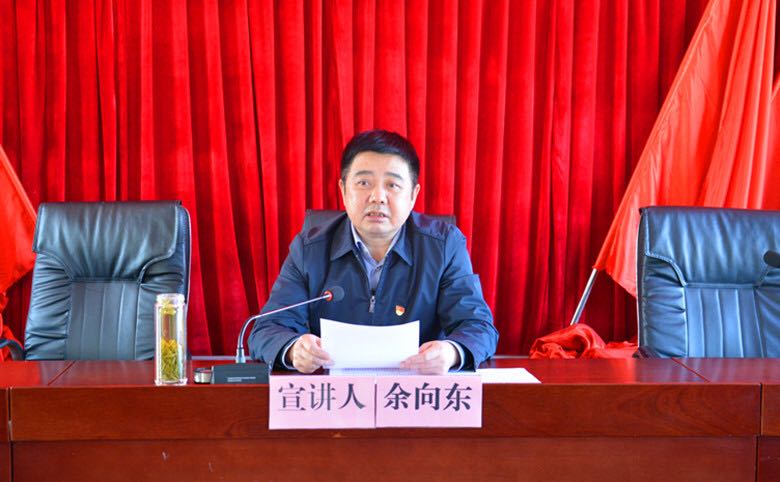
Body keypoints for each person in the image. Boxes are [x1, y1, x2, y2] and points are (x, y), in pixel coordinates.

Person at [249, 129, 498, 374]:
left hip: (416, 390)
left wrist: (452, 353)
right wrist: (294, 349)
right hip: (334, 393)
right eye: (363, 183)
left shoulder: (444, 246)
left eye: (392, 185)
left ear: (413, 195)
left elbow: (479, 327)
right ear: (343, 190)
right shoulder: (309, 249)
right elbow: (266, 329)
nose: (377, 197)